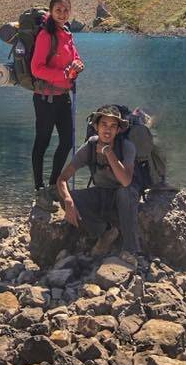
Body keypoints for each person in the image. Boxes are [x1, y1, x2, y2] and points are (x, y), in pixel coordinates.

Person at [55, 105, 141, 263]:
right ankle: (106, 232)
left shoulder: (127, 147)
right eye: (103, 125)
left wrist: (108, 152)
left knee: (124, 192)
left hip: (125, 198)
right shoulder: (89, 148)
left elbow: (126, 181)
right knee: (64, 197)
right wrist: (68, 201)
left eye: (113, 126)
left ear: (118, 130)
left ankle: (130, 249)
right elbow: (62, 179)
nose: (107, 130)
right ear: (95, 126)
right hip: (101, 194)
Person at [30, 0, 84, 211]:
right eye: (58, 10)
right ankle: (38, 188)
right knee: (42, 141)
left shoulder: (67, 33)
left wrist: (78, 65)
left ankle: (53, 184)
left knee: (67, 141)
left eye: (65, 10)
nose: (62, 14)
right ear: (51, 11)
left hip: (62, 96)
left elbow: (74, 58)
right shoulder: (45, 35)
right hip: (46, 98)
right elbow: (36, 68)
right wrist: (64, 76)